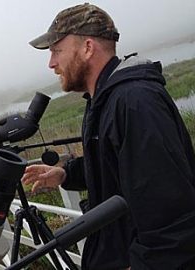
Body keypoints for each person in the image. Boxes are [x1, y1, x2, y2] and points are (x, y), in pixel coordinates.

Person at [22, 3, 195, 270]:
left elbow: (171, 218)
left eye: (57, 51)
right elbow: (118, 168)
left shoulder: (135, 102)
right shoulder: (104, 99)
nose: (51, 63)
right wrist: (66, 173)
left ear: (88, 48)